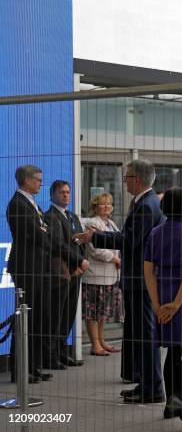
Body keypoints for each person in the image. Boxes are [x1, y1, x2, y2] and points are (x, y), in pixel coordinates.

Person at [74, 159, 165, 404]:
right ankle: (144, 383)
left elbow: (130, 240)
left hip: (141, 281)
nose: (124, 181)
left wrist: (95, 236)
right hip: (138, 279)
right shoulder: (145, 202)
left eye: (127, 177)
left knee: (146, 335)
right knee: (139, 335)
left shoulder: (147, 205)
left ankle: (153, 388)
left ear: (137, 179)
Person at [144, 188, 182, 425]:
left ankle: (171, 405)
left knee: (173, 347)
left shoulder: (155, 233)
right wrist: (177, 304)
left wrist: (159, 303)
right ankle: (178, 397)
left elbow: (148, 271)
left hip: (163, 291)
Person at [5, 165, 53, 384]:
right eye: (38, 180)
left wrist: (45, 233)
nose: (40, 184)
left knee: (37, 319)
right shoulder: (18, 204)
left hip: (38, 266)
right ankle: (20, 369)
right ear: (26, 180)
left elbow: (44, 229)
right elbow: (37, 234)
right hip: (26, 267)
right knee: (25, 319)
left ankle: (32, 366)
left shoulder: (31, 202)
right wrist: (46, 235)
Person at [44, 180, 89, 369]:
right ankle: (50, 356)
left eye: (68, 192)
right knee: (57, 315)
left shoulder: (72, 216)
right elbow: (58, 245)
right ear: (52, 194)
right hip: (61, 274)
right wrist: (77, 263)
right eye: (62, 192)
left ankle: (62, 353)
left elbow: (81, 242)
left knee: (69, 315)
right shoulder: (50, 216)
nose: (66, 195)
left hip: (76, 273)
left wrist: (82, 262)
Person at [80, 192, 123, 356]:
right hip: (95, 275)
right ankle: (94, 344)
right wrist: (116, 259)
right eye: (102, 204)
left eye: (109, 204)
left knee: (102, 312)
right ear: (95, 207)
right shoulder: (91, 223)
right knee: (92, 312)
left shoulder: (111, 223)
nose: (106, 207)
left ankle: (102, 341)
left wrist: (117, 258)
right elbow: (96, 250)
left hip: (110, 276)